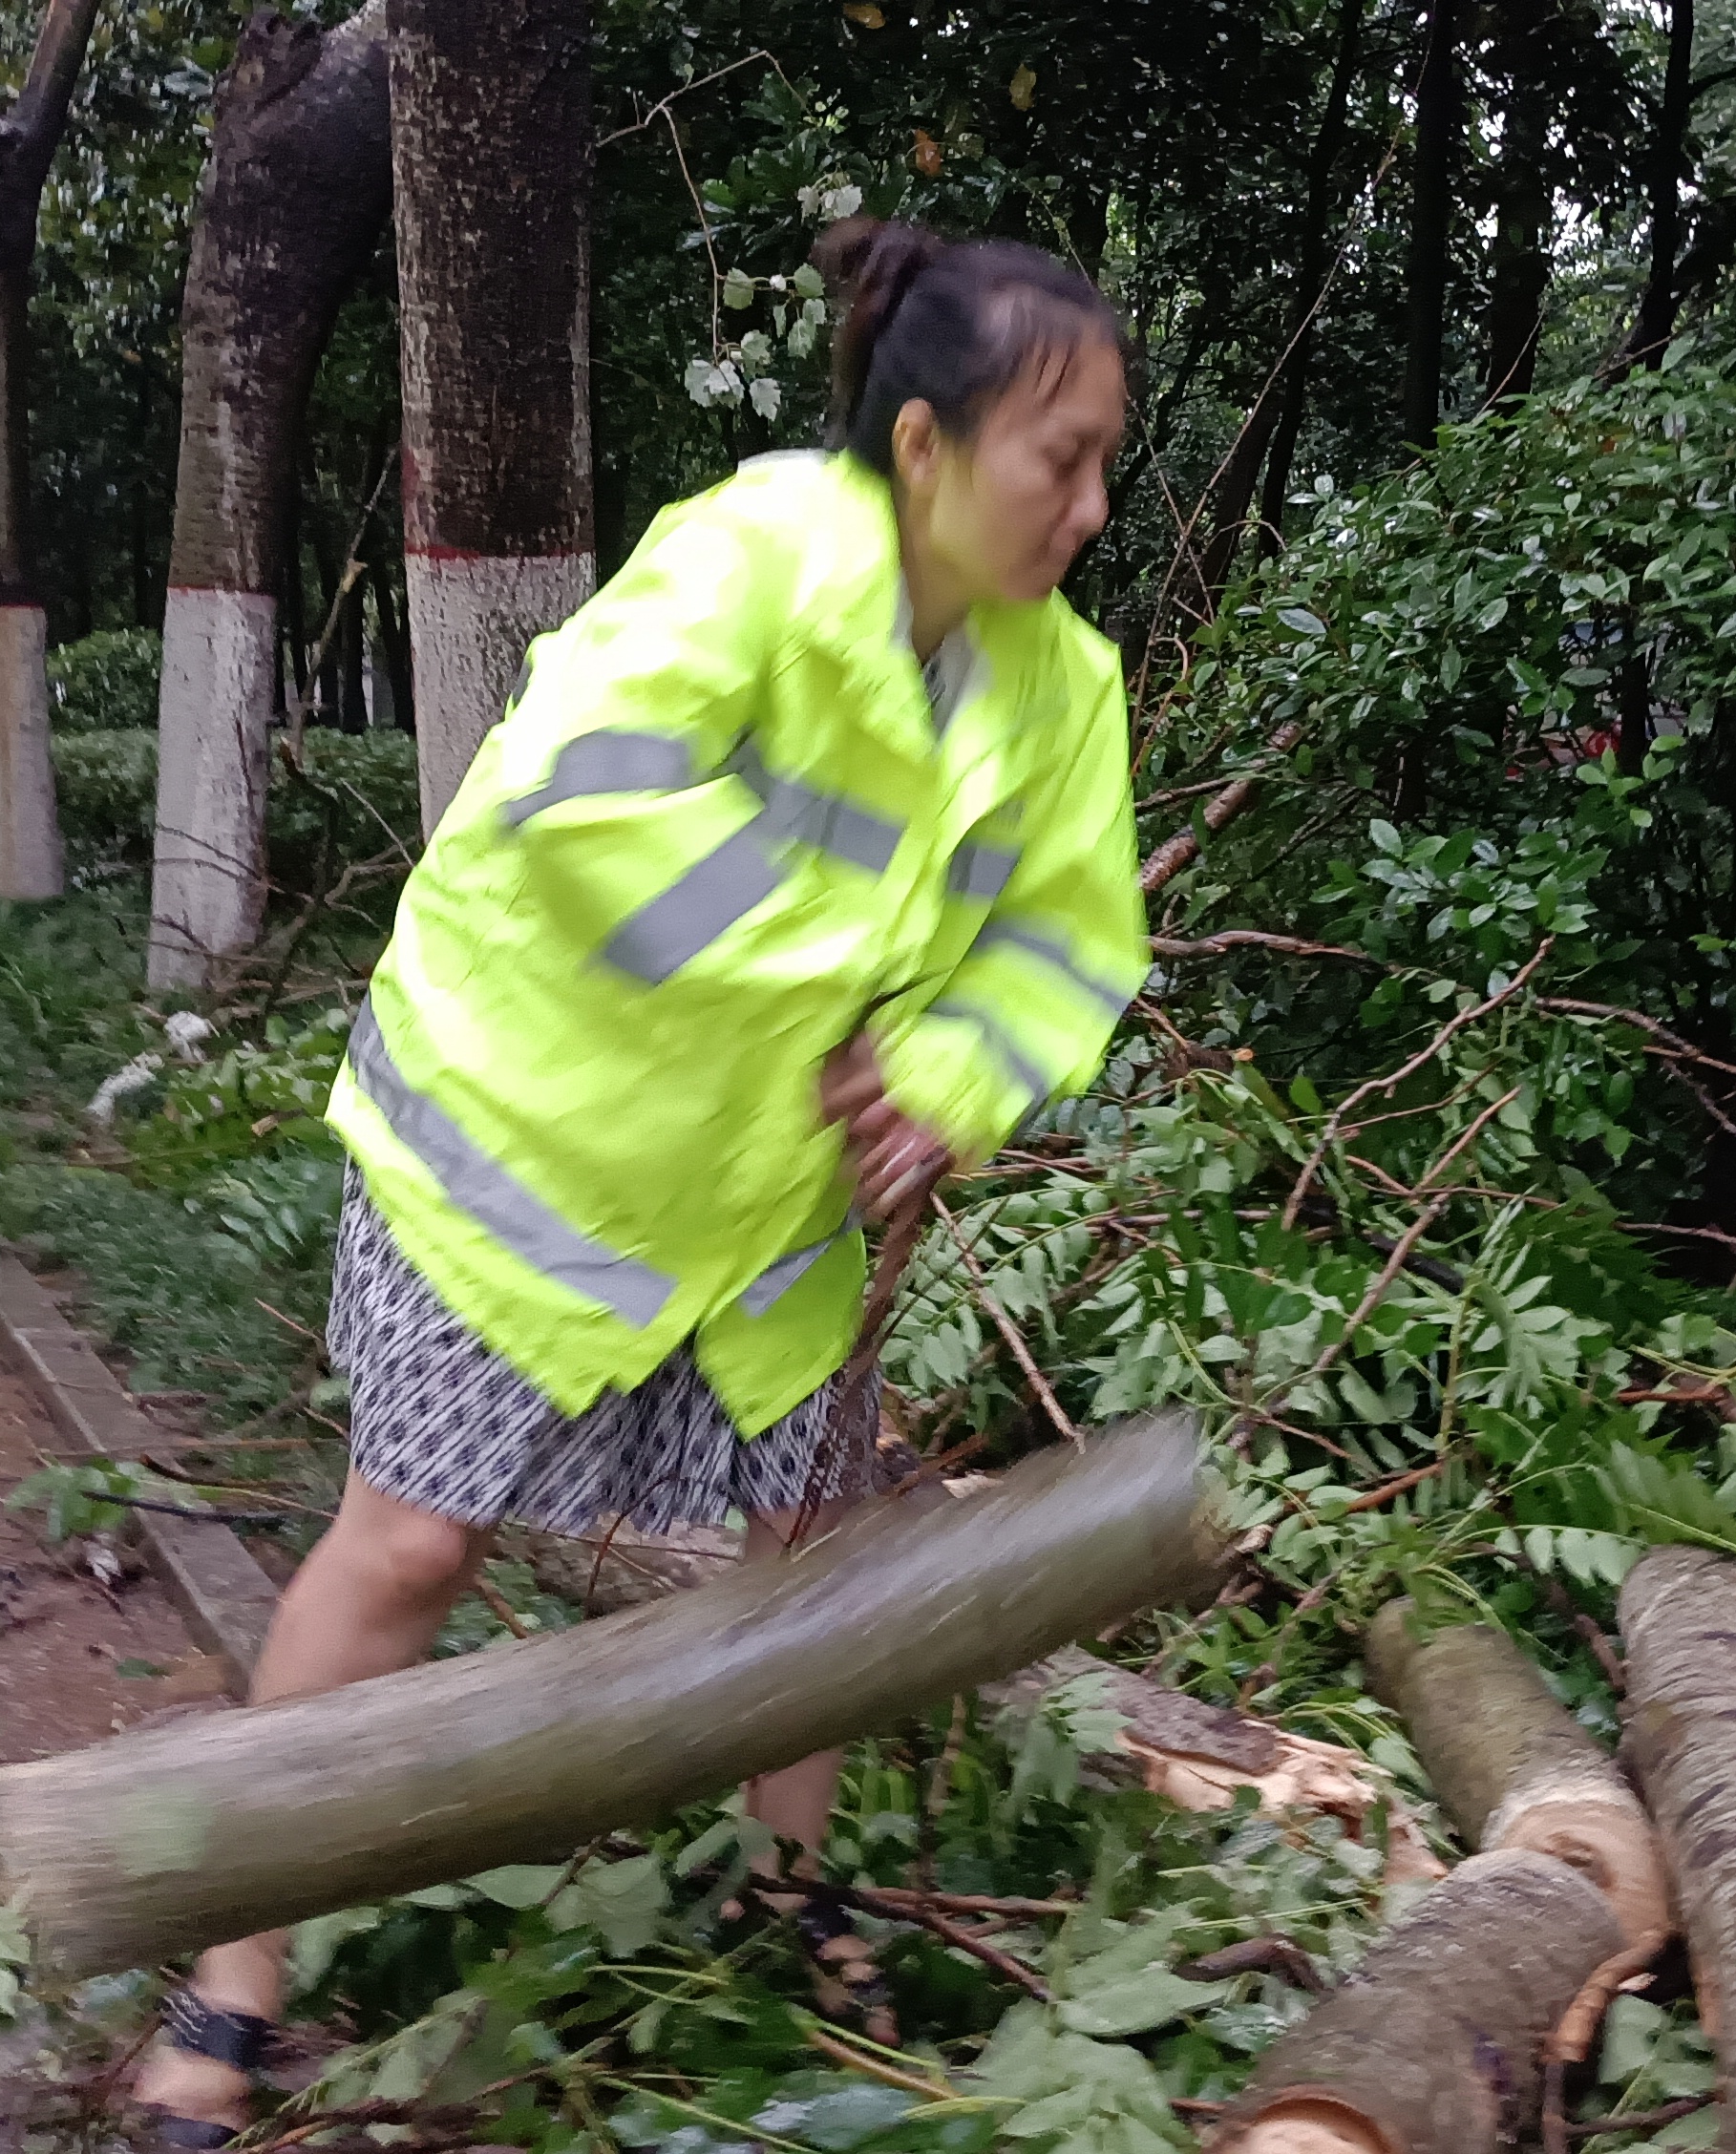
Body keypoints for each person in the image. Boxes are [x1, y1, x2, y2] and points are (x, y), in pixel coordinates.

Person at [125, 221, 1144, 2148]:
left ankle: (784, 1887)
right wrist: (838, 974)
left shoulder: (1053, 687)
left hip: (765, 1214)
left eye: (1104, 461)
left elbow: (1065, 953)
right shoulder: (749, 562)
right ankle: (228, 1974)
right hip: (524, 1153)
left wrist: (940, 1087)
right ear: (921, 449)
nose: (1090, 506)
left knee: (812, 1560)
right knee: (406, 1550)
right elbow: (581, 804)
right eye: (1057, 457)